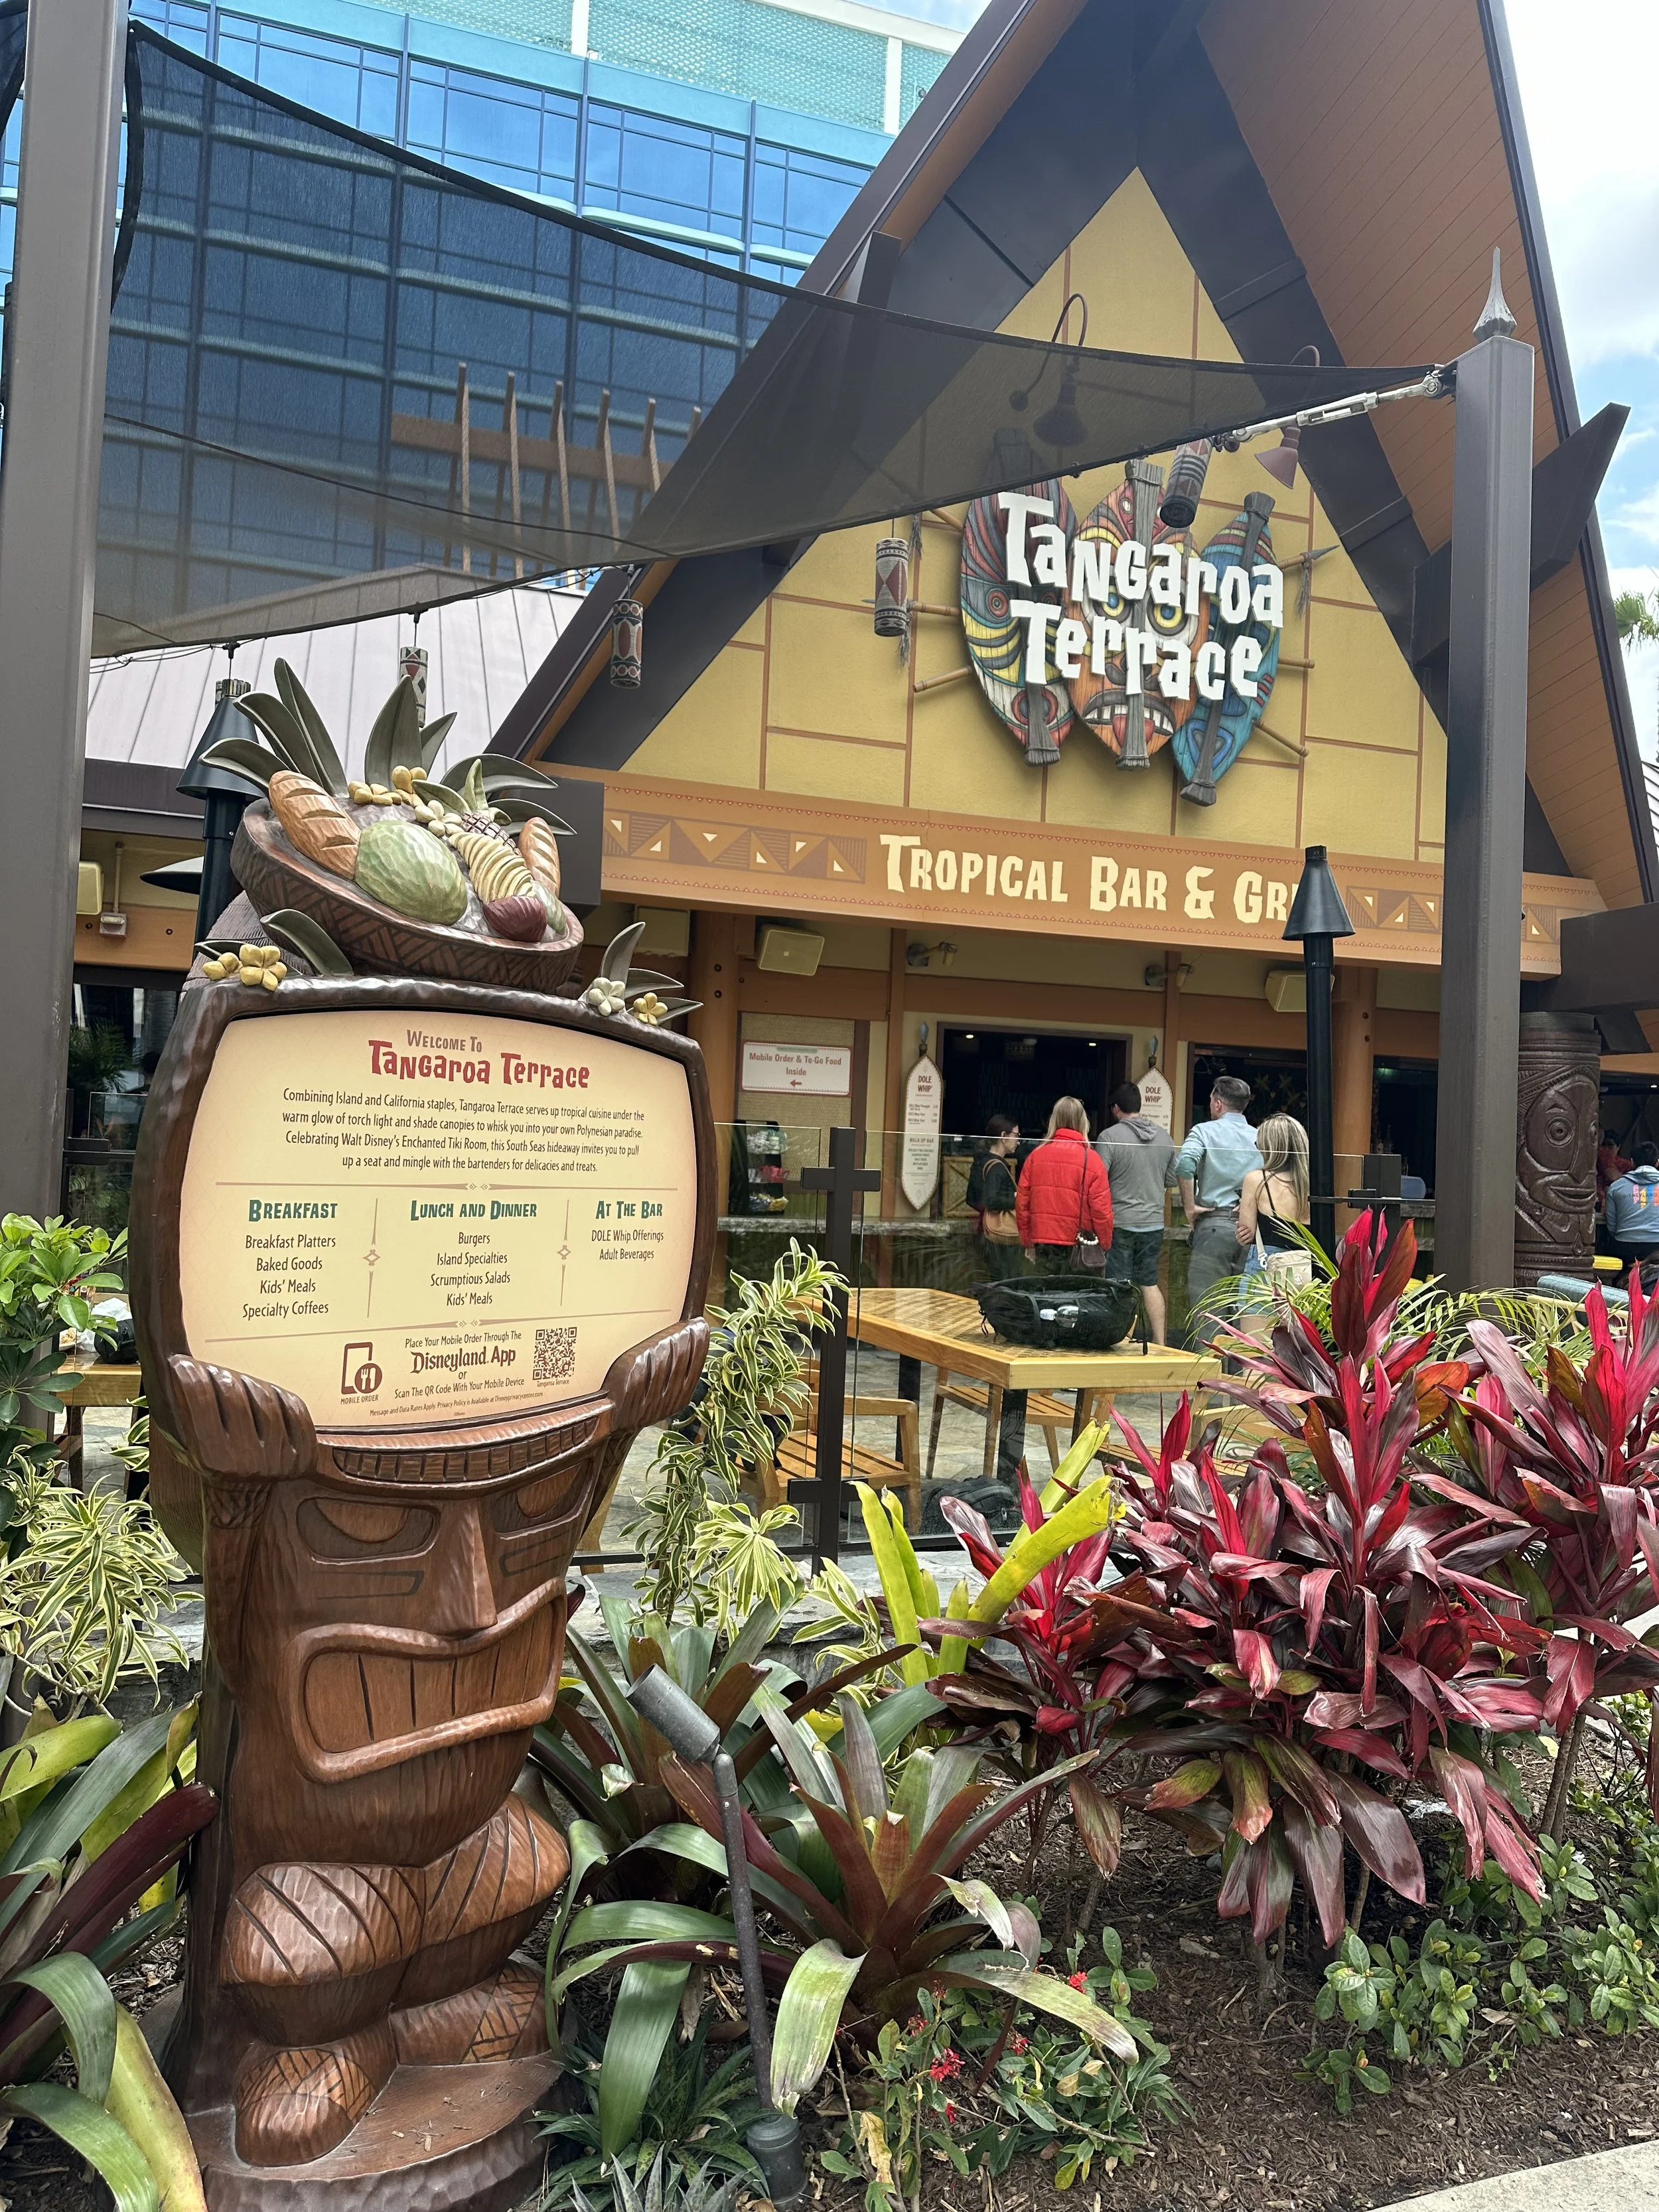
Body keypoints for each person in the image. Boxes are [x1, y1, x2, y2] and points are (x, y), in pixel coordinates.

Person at [1174, 1074, 1260, 1334]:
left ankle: (1210, 1371)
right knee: (1243, 1311)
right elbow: (1273, 1174)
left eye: (1212, 1099)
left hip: (1214, 1226)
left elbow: (1185, 1164)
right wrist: (1250, 1203)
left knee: (1209, 1310)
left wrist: (1190, 1207)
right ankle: (1239, 1373)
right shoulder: (1259, 1137)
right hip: (1250, 1230)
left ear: (1218, 1104)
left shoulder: (1204, 1131)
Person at [1095, 1080, 1175, 1343]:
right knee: (1149, 1283)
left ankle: (1123, 1340)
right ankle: (1161, 1343)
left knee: (1120, 1285)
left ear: (1116, 1108)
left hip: (1120, 1223)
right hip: (1153, 1224)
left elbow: (1098, 1180)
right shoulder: (1165, 1138)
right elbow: (1170, 1180)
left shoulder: (1109, 1137)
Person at [1016, 1096, 1112, 1269]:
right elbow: (1101, 1211)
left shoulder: (1035, 1157)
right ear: (1084, 1122)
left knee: (1047, 1293)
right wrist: (1104, 1243)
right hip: (1079, 1244)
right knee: (1077, 1294)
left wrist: (1027, 1240)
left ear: (1054, 1120)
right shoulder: (1092, 1160)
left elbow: (1023, 1204)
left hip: (1042, 1241)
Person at [1236, 1113, 1311, 1277]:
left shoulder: (1256, 1180)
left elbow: (1246, 1233)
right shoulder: (1313, 1184)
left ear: (1269, 1148)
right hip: (1308, 1272)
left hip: (1266, 1269)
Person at [966, 1113, 1025, 1280]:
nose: (1018, 1141)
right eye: (1016, 1135)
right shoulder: (998, 1167)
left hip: (984, 1230)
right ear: (1003, 1136)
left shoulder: (980, 1162)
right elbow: (991, 1201)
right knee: (1006, 1279)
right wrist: (1016, 1198)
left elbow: (971, 1199)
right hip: (1000, 1236)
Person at [1604, 1140, 1659, 1286]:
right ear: (1657, 1163)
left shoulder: (1616, 1187)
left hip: (1626, 1248)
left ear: (1633, 1162)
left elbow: (1612, 1226)